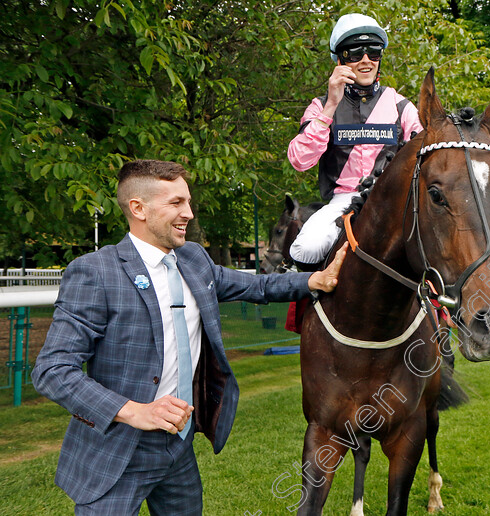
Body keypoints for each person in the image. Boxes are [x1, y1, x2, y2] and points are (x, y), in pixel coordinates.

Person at [31, 160, 346, 515]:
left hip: (178, 449)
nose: (189, 214)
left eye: (189, 202)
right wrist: (134, 411)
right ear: (138, 208)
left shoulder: (193, 259)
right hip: (115, 451)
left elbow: (257, 285)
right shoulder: (95, 272)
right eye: (176, 203)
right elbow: (53, 370)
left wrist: (312, 281)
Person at [287, 13, 423, 267]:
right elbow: (300, 160)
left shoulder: (401, 105)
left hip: (394, 200)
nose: (365, 61)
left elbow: (427, 155)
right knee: (306, 249)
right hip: (344, 201)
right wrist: (331, 107)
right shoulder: (319, 106)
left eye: (373, 52)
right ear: (339, 60)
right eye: (354, 53)